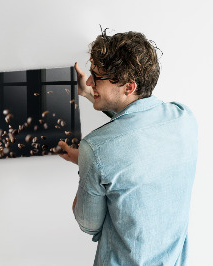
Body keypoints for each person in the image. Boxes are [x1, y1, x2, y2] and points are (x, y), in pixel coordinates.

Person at [59, 31, 198, 265]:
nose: (90, 81)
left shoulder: (95, 149)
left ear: (129, 86)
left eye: (96, 77)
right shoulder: (184, 118)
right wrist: (88, 93)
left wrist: (87, 163)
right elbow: (138, 124)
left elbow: (88, 224)